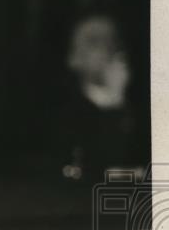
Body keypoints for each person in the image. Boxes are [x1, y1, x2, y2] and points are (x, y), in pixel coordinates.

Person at [53, 11, 149, 182]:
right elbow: (81, 172)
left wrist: (117, 101)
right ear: (73, 57)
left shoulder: (142, 109)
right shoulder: (60, 113)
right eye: (94, 41)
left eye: (112, 40)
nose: (108, 48)